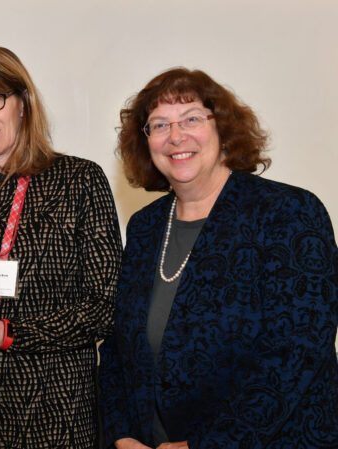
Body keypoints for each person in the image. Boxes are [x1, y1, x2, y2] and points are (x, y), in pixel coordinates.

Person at [99, 67, 338, 449]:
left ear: (223, 128)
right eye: (159, 124)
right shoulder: (146, 227)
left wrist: (205, 445)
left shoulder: (288, 212)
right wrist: (121, 434)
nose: (176, 136)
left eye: (191, 118)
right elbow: (117, 348)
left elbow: (297, 354)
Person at [0, 45, 123, 448]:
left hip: (60, 416)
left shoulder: (79, 181)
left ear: (23, 103)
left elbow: (104, 307)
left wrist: (7, 332)